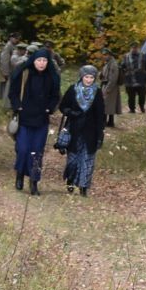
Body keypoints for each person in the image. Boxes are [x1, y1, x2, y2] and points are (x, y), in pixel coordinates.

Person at [8, 45, 61, 195]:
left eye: (44, 60)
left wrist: (49, 108)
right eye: (39, 60)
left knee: (37, 152)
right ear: (34, 60)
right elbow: (13, 92)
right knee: (23, 149)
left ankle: (34, 182)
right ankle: (19, 174)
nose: (42, 63)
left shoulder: (52, 76)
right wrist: (17, 106)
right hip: (24, 118)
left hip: (41, 120)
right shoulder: (24, 73)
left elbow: (55, 96)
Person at [61, 63, 107, 196]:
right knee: (73, 160)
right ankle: (70, 180)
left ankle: (83, 187)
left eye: (91, 78)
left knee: (87, 160)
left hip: (90, 132)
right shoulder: (73, 90)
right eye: (86, 77)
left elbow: (100, 115)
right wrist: (71, 112)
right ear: (82, 77)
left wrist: (100, 135)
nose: (89, 80)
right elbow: (63, 106)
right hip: (74, 129)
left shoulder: (97, 93)